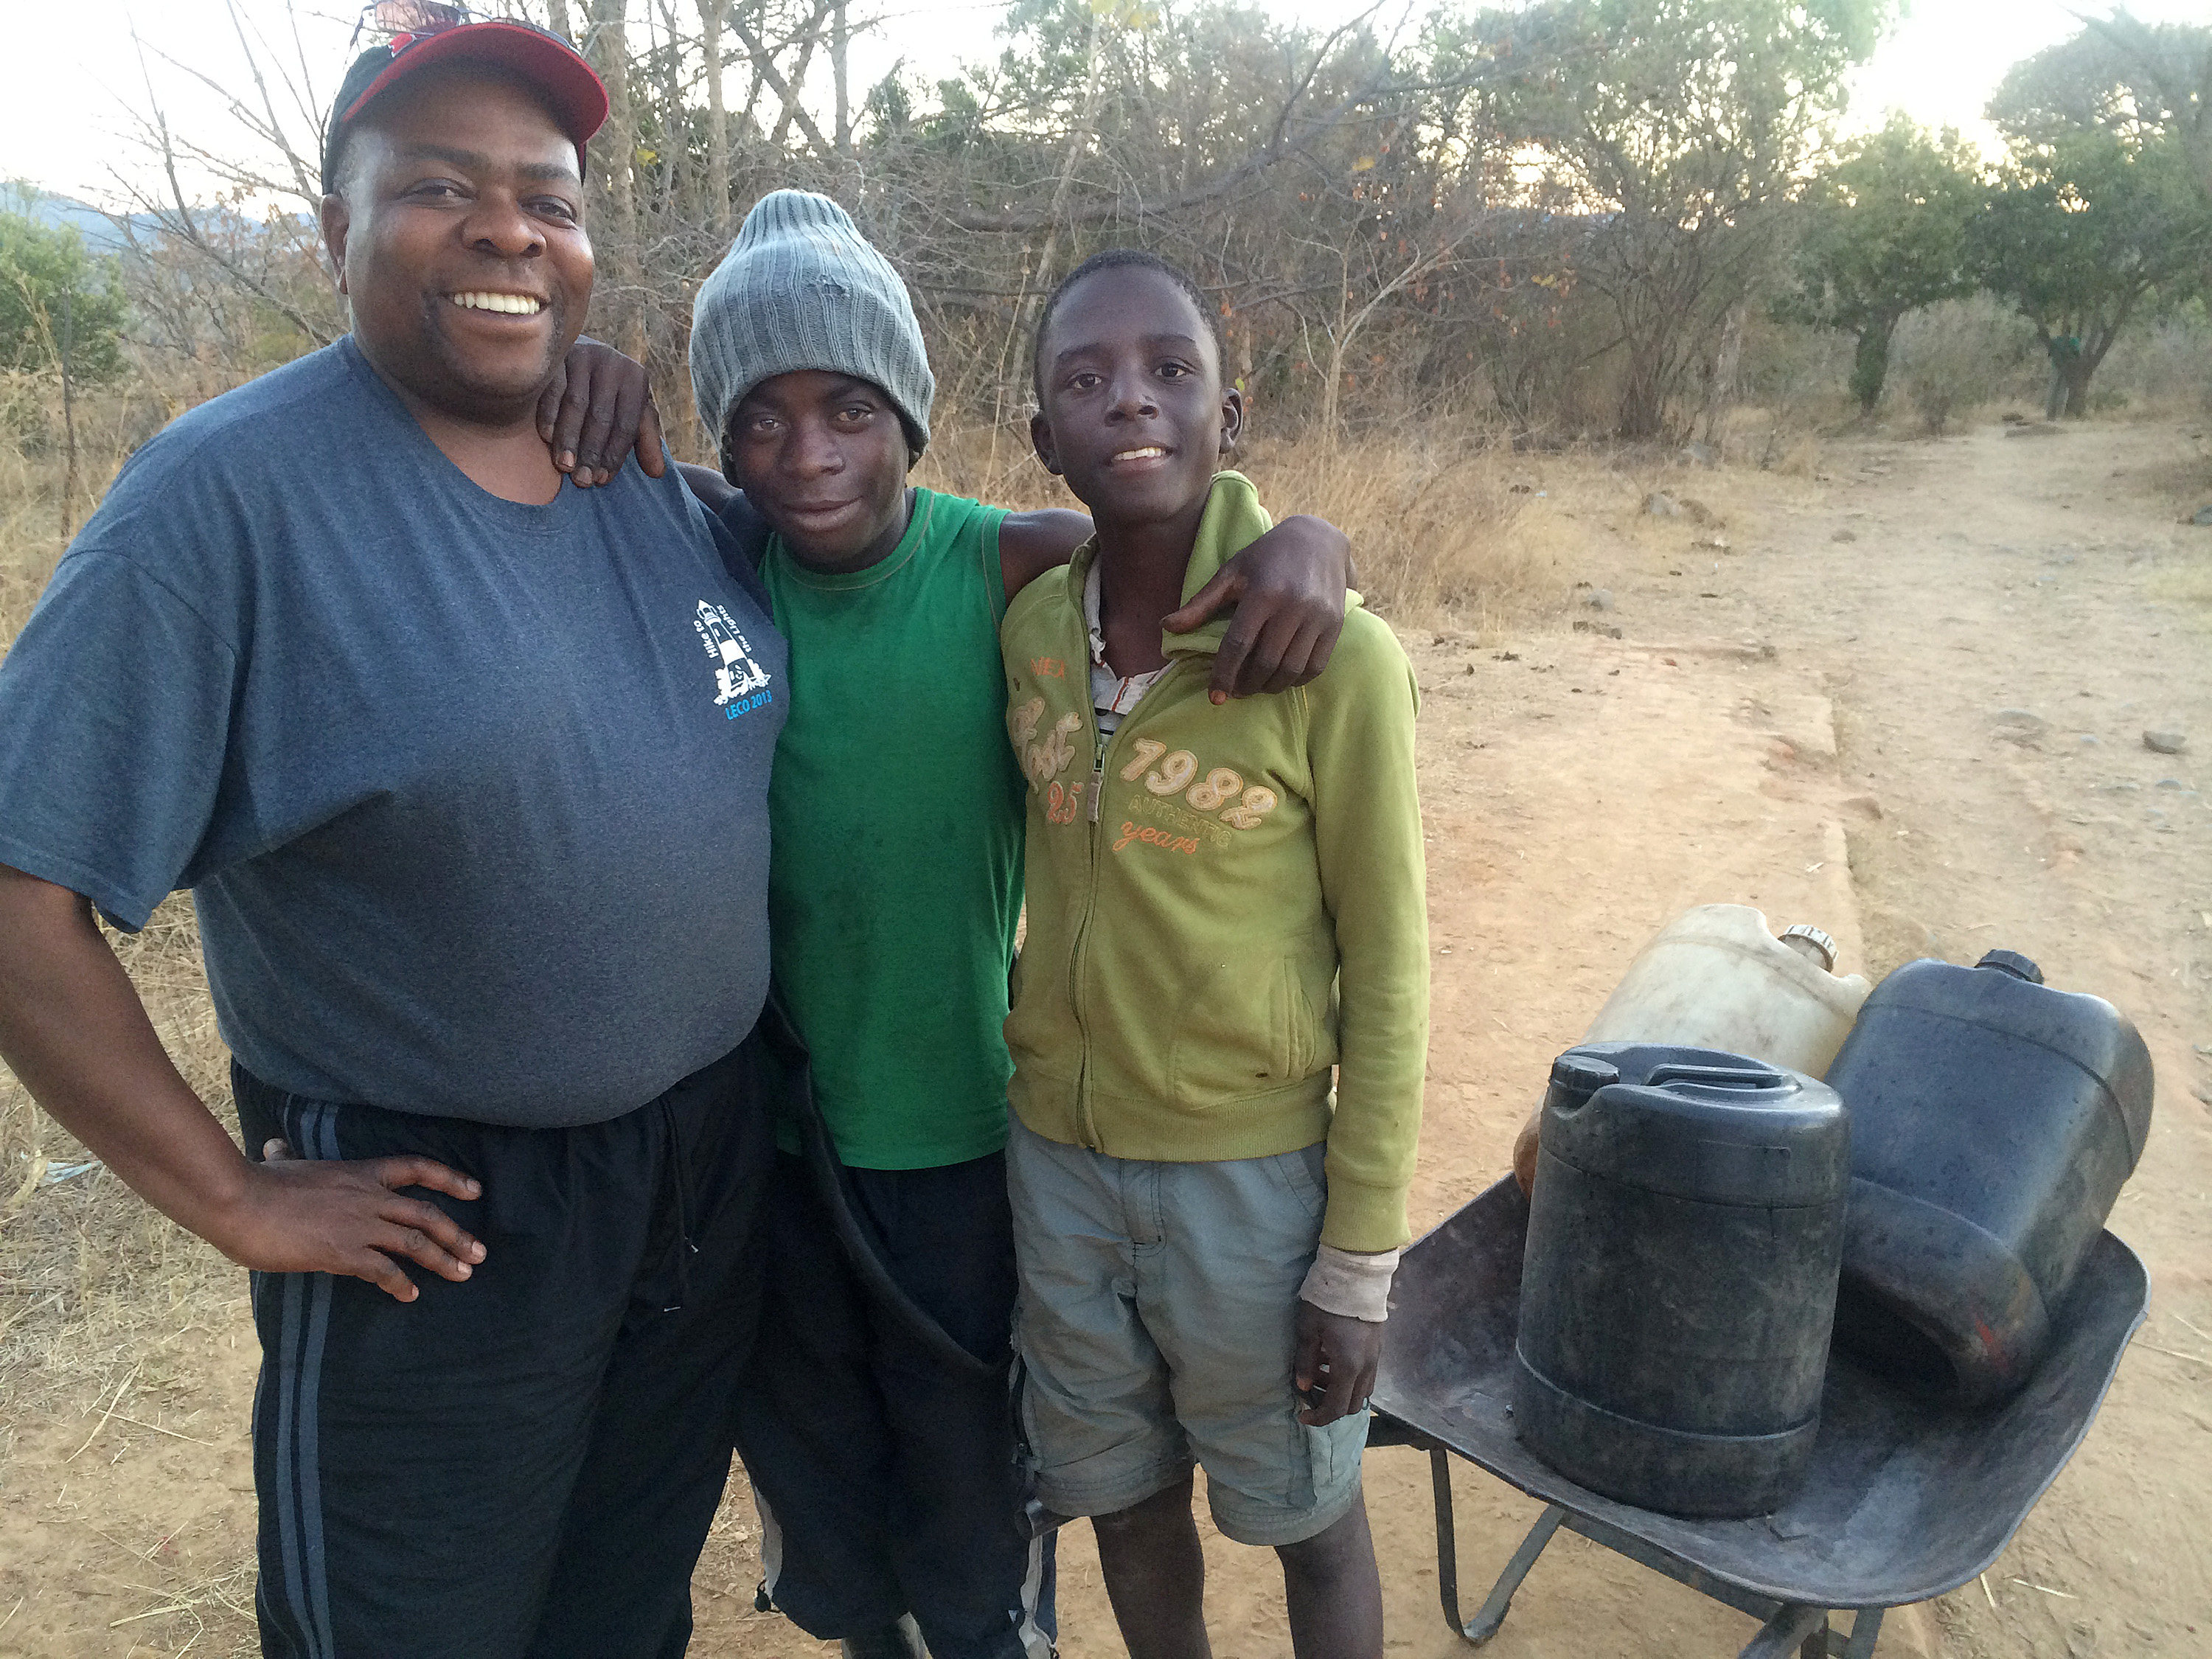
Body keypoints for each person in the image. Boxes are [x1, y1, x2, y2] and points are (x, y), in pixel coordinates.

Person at [0, 20, 785, 1659]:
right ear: (333, 229)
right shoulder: (229, 500)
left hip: (701, 1178)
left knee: (621, 1609)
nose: (510, 229)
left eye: (549, 201)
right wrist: (231, 1195)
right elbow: (21, 891)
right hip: (438, 1229)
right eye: (438, 186)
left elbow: (888, 557)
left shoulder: (635, 468)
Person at [538, 189, 1354, 1659]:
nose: (810, 456)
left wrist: (1311, 537)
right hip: (772, 1150)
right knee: (820, 1479)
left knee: (976, 1487)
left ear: (910, 415)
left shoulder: (1005, 564)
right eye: (765, 420)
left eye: (849, 409)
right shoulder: (713, 569)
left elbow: (1163, 536)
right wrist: (581, 372)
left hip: (975, 1145)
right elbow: (568, 493)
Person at [998, 248, 1429, 1659]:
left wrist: (1355, 1262)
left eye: (1172, 370)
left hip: (1251, 1192)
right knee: (1123, 1504)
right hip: (1057, 1169)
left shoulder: (1332, 658)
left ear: (1230, 416)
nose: (1133, 401)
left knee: (1308, 1517)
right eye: (1087, 377)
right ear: (1043, 433)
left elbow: (1392, 967)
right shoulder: (1026, 641)